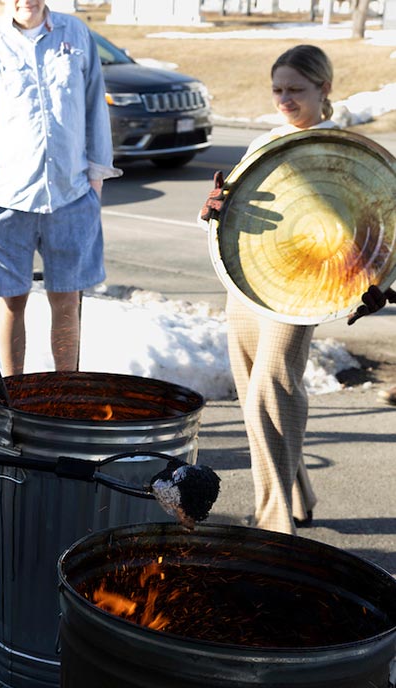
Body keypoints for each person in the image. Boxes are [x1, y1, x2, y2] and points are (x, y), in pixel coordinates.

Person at [200, 44, 337, 535]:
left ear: (325, 88)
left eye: (295, 90)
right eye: (277, 89)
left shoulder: (339, 150)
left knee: (269, 393)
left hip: (301, 290)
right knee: (256, 393)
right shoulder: (266, 139)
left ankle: (274, 524)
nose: (284, 98)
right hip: (246, 280)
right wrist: (214, 210)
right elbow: (239, 211)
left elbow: (365, 226)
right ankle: (298, 495)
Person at [0, 0, 120, 377]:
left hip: (72, 194)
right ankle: (17, 393)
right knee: (12, 301)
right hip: (4, 197)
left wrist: (95, 178)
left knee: (66, 299)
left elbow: (95, 104)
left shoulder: (76, 33)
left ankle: (66, 391)